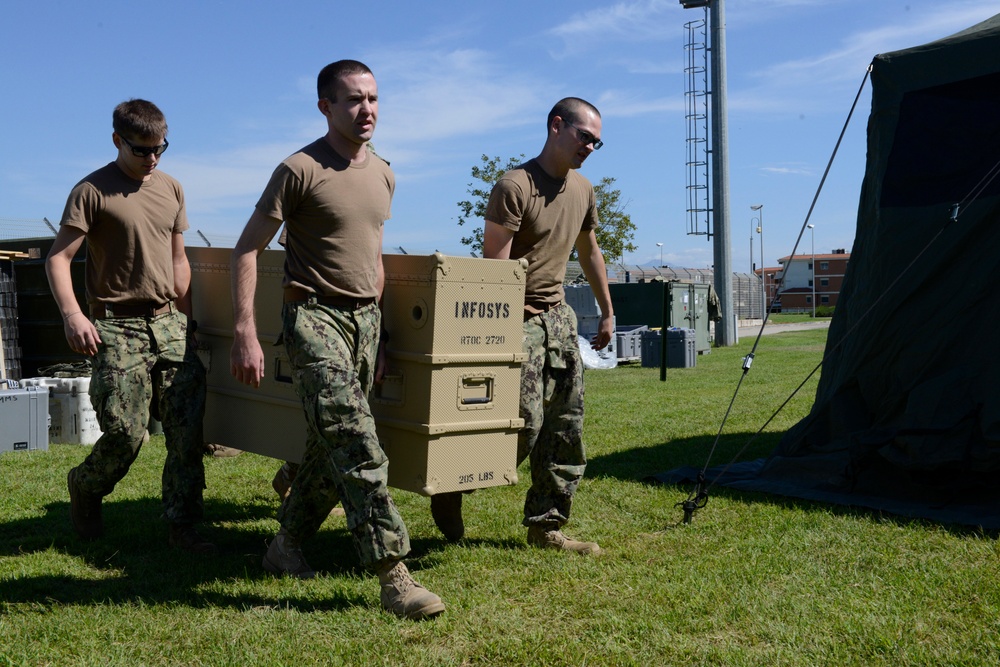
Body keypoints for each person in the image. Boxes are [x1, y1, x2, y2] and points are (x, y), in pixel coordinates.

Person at [229, 59, 444, 621]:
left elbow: (372, 253)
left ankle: (285, 546)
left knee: (330, 449)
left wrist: (383, 332)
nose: (366, 110)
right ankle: (393, 573)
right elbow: (247, 249)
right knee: (357, 443)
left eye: (373, 98)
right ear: (325, 106)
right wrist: (246, 331)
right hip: (313, 317)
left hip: (364, 325)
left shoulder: (384, 173)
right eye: (353, 100)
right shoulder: (298, 169)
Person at [431, 97, 612, 555]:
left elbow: (589, 252)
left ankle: (546, 525)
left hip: (559, 320)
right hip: (517, 320)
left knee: (565, 426)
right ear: (556, 126)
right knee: (518, 426)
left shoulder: (583, 190)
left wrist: (607, 310)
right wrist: (497, 332)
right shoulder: (514, 186)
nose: (589, 147)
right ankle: (455, 485)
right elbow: (495, 266)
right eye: (583, 136)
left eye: (596, 141)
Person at [47, 99, 213, 554]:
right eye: (142, 150)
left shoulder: (173, 188)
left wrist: (189, 321)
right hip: (117, 328)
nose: (152, 159)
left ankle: (183, 525)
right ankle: (85, 484)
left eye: (160, 148)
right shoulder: (91, 191)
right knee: (126, 432)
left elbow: (179, 261)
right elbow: (58, 258)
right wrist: (73, 315)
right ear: (118, 140)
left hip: (169, 323)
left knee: (185, 432)